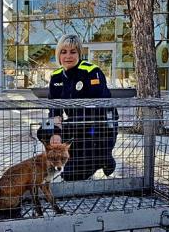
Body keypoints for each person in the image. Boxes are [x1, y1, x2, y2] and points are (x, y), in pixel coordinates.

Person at [37, 34, 118, 181]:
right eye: (64, 51)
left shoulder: (92, 72)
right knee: (42, 130)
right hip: (75, 125)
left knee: (71, 176)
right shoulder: (56, 77)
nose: (68, 56)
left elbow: (98, 109)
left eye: (73, 52)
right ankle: (64, 157)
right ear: (58, 54)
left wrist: (66, 126)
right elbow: (54, 110)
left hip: (100, 127)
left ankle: (103, 156)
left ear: (79, 54)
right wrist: (55, 132)